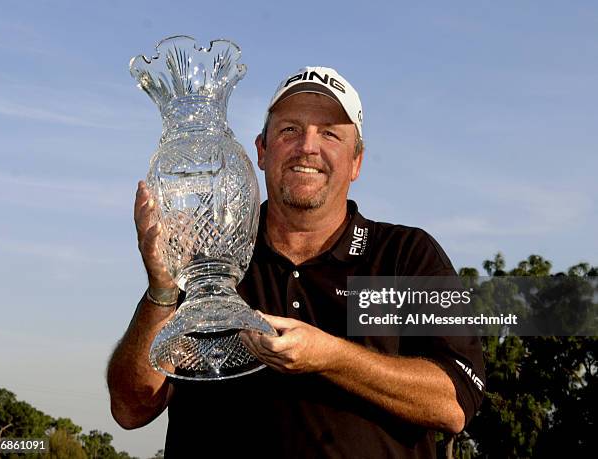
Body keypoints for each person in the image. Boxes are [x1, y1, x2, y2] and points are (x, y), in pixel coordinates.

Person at [107, 66, 485, 458]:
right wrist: (163, 290)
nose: (307, 146)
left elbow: (454, 403)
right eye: (290, 129)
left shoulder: (406, 254)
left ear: (356, 162)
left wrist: (330, 357)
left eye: (330, 133)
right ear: (261, 151)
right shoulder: (210, 258)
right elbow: (131, 408)